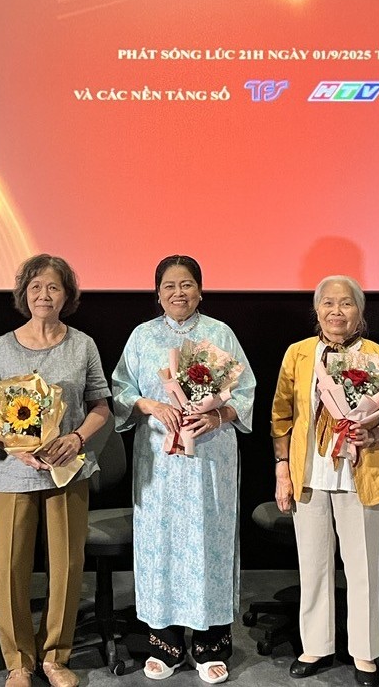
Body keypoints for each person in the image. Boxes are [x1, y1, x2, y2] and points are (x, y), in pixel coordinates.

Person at [0, 254, 112, 687]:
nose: (43, 295)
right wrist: (10, 443)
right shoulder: (2, 346)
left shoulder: (82, 345)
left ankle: (55, 657)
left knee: (66, 566)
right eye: (35, 287)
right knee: (9, 567)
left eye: (53, 287)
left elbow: (101, 406)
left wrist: (77, 439)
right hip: (11, 473)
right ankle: (18, 662)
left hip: (67, 472)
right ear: (23, 294)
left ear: (66, 295)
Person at [111, 255, 255, 684]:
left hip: (211, 456)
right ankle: (165, 643)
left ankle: (212, 644)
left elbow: (245, 391)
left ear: (200, 290)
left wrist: (218, 415)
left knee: (210, 541)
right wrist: (149, 404)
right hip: (159, 458)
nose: (179, 293)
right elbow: (120, 390)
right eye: (170, 286)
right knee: (162, 542)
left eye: (187, 284)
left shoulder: (220, 334)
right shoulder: (142, 336)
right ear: (157, 294)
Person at [271, 276, 379, 686]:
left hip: (360, 473)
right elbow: (281, 416)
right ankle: (316, 645)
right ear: (317, 310)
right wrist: (282, 468)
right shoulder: (299, 353)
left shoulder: (378, 356)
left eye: (346, 303)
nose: (337, 311)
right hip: (309, 474)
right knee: (314, 565)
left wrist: (376, 433)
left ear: (360, 311)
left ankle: (365, 653)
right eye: (328, 303)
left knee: (362, 568)